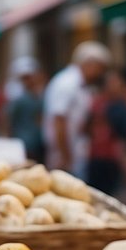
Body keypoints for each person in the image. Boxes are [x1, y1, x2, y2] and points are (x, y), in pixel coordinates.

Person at [44, 41, 112, 176]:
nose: (101, 73)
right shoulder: (67, 83)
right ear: (89, 64)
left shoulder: (79, 84)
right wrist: (65, 156)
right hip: (64, 157)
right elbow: (58, 121)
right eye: (100, 68)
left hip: (74, 154)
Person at [85, 69, 126, 196]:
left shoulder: (121, 105)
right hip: (96, 156)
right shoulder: (98, 103)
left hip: (112, 158)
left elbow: (125, 135)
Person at [6, 56, 46, 161]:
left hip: (38, 143)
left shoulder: (39, 95)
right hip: (24, 145)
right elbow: (9, 121)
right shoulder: (17, 98)